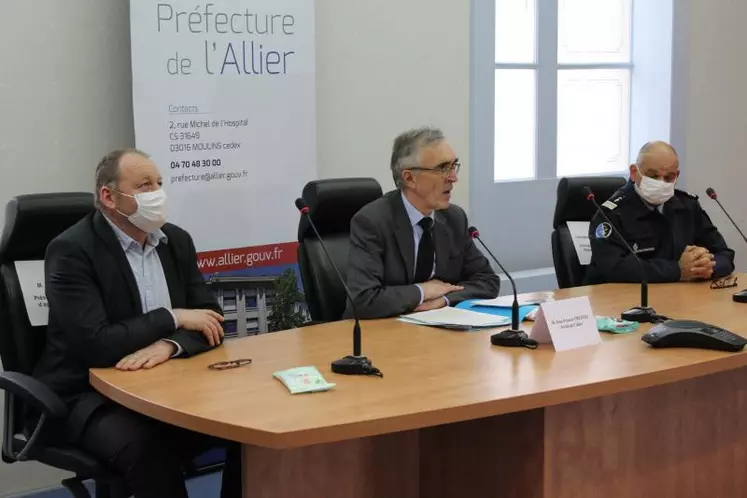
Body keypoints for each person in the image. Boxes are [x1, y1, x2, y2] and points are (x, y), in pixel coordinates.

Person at [32, 149, 240, 498]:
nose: (157, 193)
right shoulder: (71, 250)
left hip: (166, 387)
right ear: (109, 197)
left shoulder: (176, 241)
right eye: (144, 185)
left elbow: (210, 320)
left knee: (242, 427)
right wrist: (172, 317)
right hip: (87, 396)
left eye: (159, 183)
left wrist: (169, 345)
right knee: (148, 447)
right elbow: (97, 344)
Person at [344, 127, 500, 319]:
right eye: (443, 168)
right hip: (379, 333)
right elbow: (363, 300)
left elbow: (488, 281)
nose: (453, 177)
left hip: (436, 331)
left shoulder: (454, 218)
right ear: (409, 178)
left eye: (454, 166)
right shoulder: (373, 222)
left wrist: (443, 300)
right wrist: (423, 291)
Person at [585, 141, 735, 284]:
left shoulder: (687, 206)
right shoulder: (610, 214)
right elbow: (614, 268)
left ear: (677, 176)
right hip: (620, 301)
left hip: (678, 297)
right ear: (633, 172)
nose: (661, 182)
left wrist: (706, 267)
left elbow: (724, 254)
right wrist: (677, 270)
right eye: (653, 176)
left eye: (669, 177)